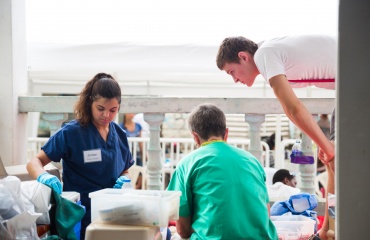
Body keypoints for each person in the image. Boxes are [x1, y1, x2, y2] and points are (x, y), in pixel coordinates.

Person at [216, 35, 336, 239]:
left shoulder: (265, 54)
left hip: (357, 84)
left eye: (232, 72)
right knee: (334, 162)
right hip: (351, 86)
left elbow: (293, 108)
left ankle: (331, 230)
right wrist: (327, 148)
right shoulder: (269, 49)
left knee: (335, 160)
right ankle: (328, 230)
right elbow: (291, 110)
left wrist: (327, 149)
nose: (235, 79)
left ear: (243, 56)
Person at [26, 73, 134, 239]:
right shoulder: (72, 133)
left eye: (113, 110)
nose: (106, 115)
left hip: (112, 213)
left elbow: (124, 169)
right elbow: (34, 162)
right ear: (90, 103)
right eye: (100, 109)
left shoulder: (120, 135)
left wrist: (125, 180)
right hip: (78, 215)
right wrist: (45, 178)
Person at [167, 103, 278, 239]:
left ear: (195, 137)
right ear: (226, 133)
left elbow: (183, 230)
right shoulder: (252, 161)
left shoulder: (187, 163)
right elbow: (266, 214)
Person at [120, 113, 144, 189]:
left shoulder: (138, 126)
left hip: (137, 154)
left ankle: (139, 187)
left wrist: (143, 153)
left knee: (140, 170)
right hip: (126, 155)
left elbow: (141, 142)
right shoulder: (120, 127)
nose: (131, 114)